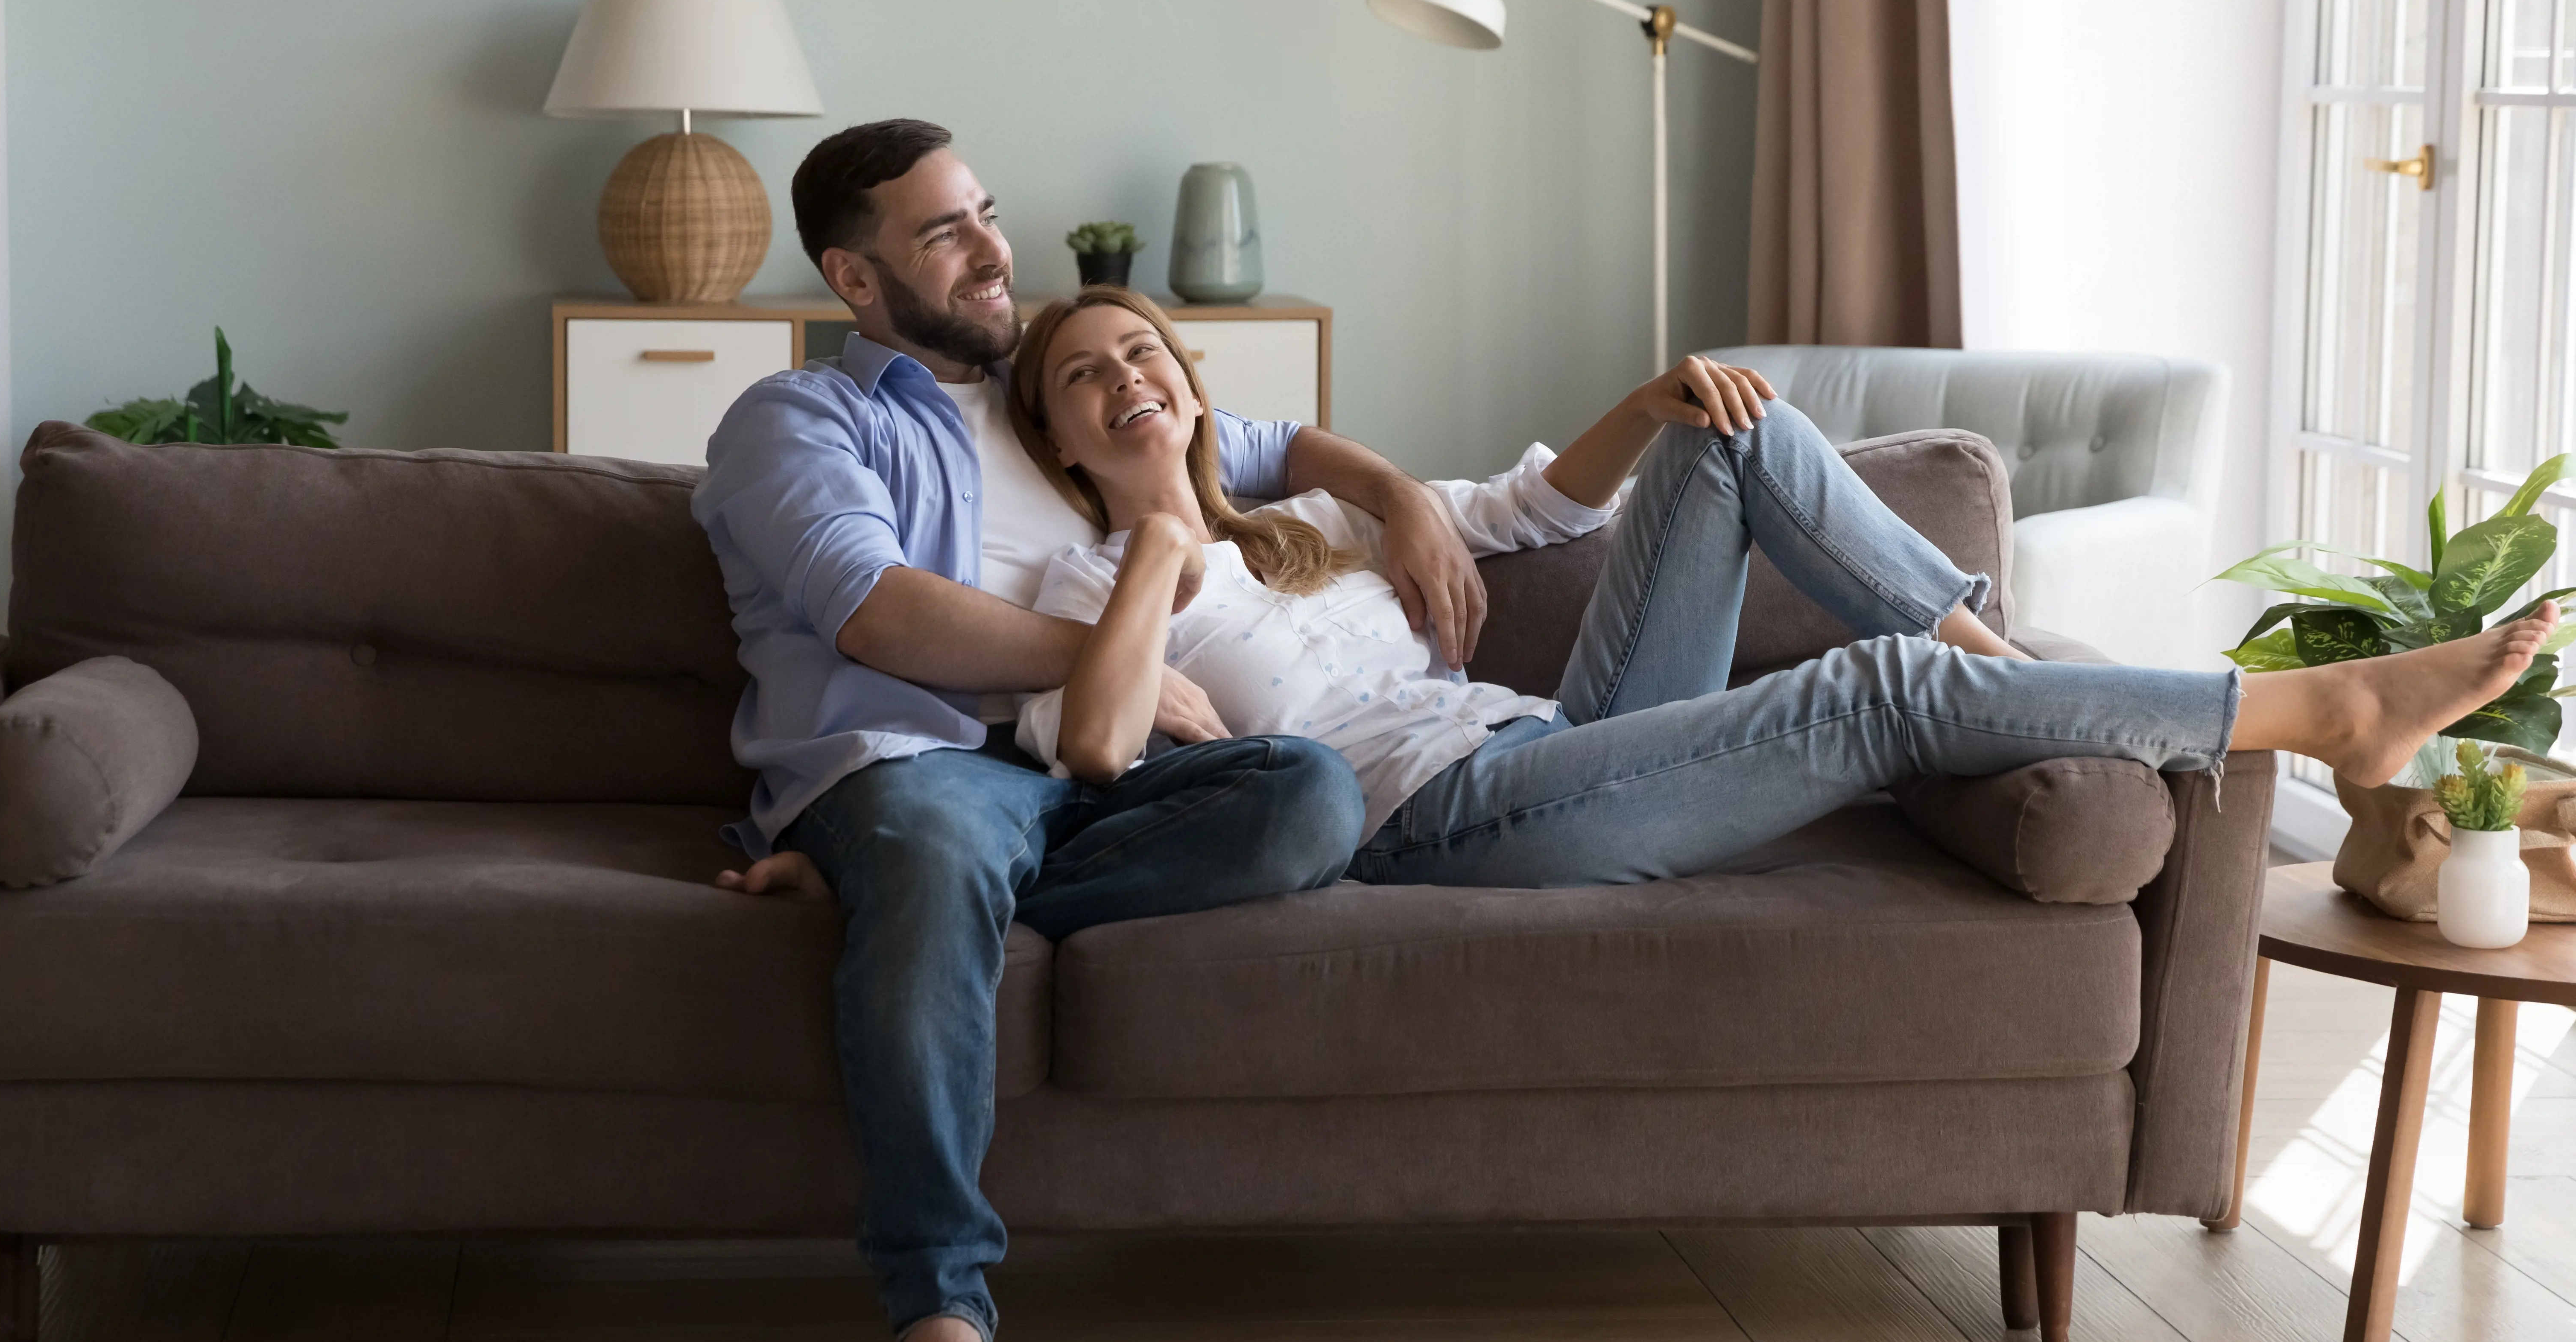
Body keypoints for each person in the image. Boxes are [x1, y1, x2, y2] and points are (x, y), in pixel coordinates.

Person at [689, 122, 1480, 1342]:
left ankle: (885, 897)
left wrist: (1400, 493)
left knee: (1304, 796)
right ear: (856, 279)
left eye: (985, 215)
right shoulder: (797, 420)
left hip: (1081, 775)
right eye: (943, 233)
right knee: (935, 844)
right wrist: (1111, 655)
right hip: (920, 766)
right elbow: (878, 615)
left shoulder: (1038, 394)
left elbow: (1259, 441)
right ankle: (937, 1301)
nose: (994, 250)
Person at [986, 285, 2556, 886]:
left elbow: (1535, 506)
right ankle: (2319, 710)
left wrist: (1650, 399)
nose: (1121, 375)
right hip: (1445, 824)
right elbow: (1099, 743)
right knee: (1880, 693)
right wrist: (1158, 553)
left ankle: (1973, 648)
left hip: (1543, 737)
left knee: (1735, 429)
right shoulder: (1078, 574)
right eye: (1078, 377)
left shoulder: (1314, 517)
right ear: (1057, 439)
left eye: (1141, 350)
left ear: (1190, 381)